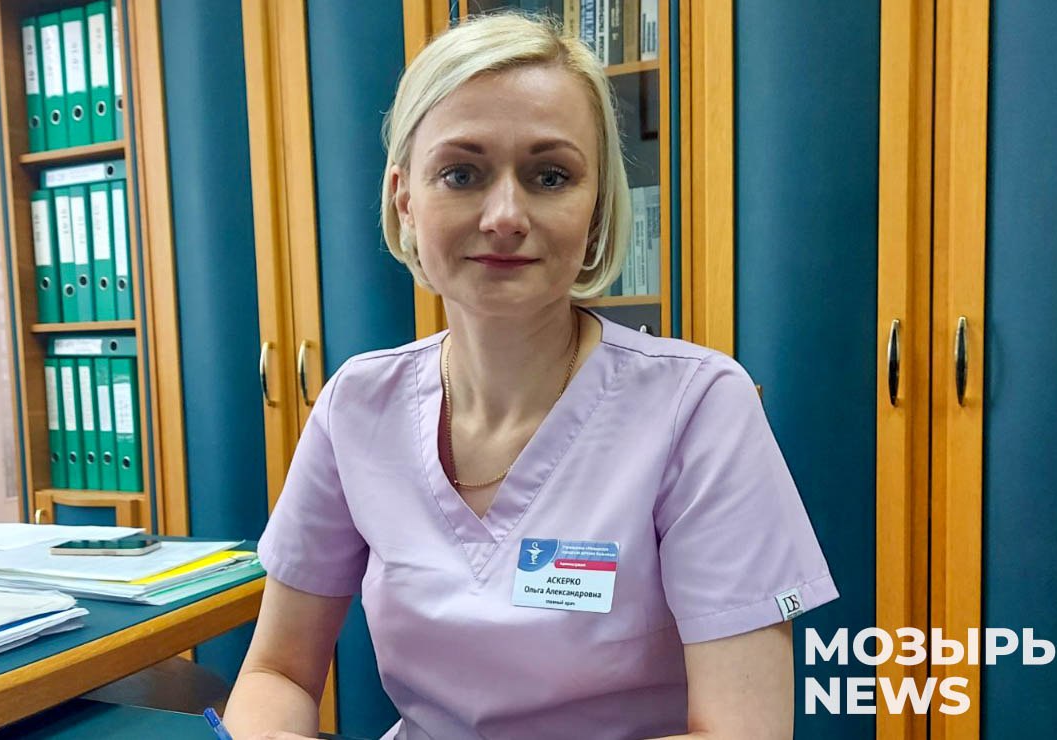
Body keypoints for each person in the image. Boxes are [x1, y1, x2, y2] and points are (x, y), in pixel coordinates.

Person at [225, 11, 837, 740]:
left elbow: (744, 731)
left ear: (596, 208)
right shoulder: (357, 406)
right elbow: (277, 672)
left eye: (550, 176)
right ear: (406, 199)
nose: (506, 216)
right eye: (462, 173)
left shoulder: (697, 407)